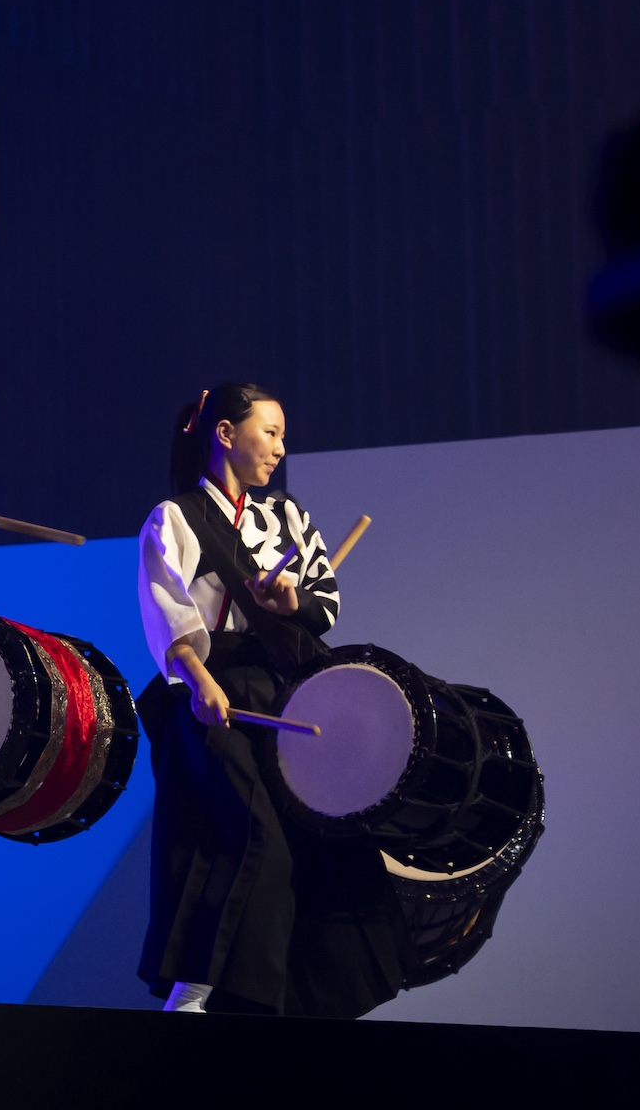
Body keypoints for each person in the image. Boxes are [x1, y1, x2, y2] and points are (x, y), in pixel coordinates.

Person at [136, 382, 408, 1016]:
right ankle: (191, 993)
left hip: (284, 693)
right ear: (225, 433)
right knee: (246, 835)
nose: (281, 448)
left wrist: (291, 602)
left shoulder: (287, 516)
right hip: (211, 696)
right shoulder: (174, 517)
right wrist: (200, 681)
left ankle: (278, 1005)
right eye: (271, 432)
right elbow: (165, 608)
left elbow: (325, 601)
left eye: (283, 435)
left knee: (306, 841)